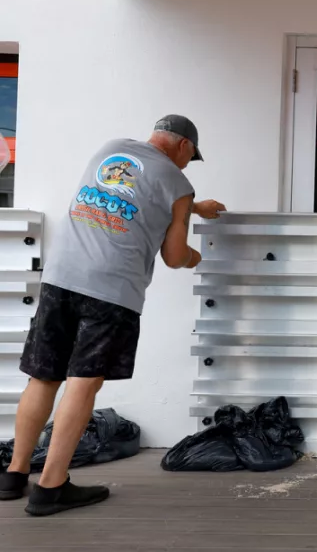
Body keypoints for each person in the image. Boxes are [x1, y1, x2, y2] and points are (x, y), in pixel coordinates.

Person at [0, 115, 227, 516]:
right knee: (83, 384)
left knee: (44, 375)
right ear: (184, 146)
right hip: (111, 290)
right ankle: (50, 488)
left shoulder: (110, 149)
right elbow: (174, 256)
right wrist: (195, 256)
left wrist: (193, 208)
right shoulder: (179, 184)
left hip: (60, 276)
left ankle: (14, 475)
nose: (187, 165)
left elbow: (132, 199)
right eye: (191, 158)